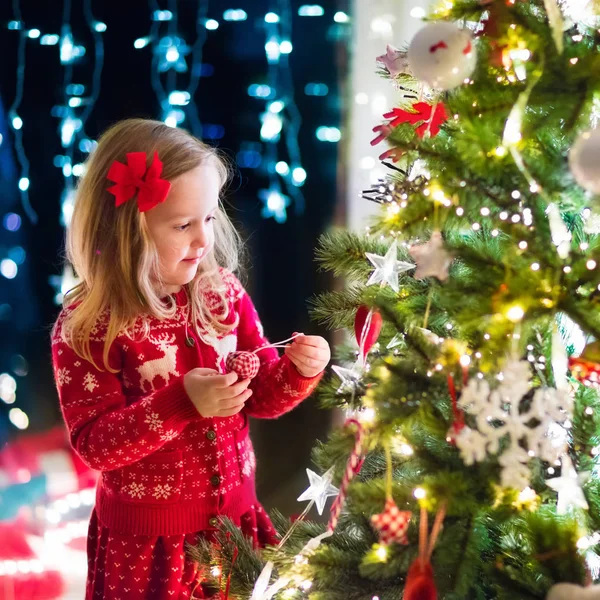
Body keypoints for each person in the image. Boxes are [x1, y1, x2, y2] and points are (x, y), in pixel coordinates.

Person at [50, 119, 331, 599]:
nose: (203, 240)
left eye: (208, 218)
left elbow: (259, 396)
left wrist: (298, 371)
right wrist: (181, 402)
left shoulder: (223, 294)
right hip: (149, 547)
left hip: (234, 529)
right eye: (183, 225)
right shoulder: (91, 325)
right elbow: (96, 443)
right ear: (126, 234)